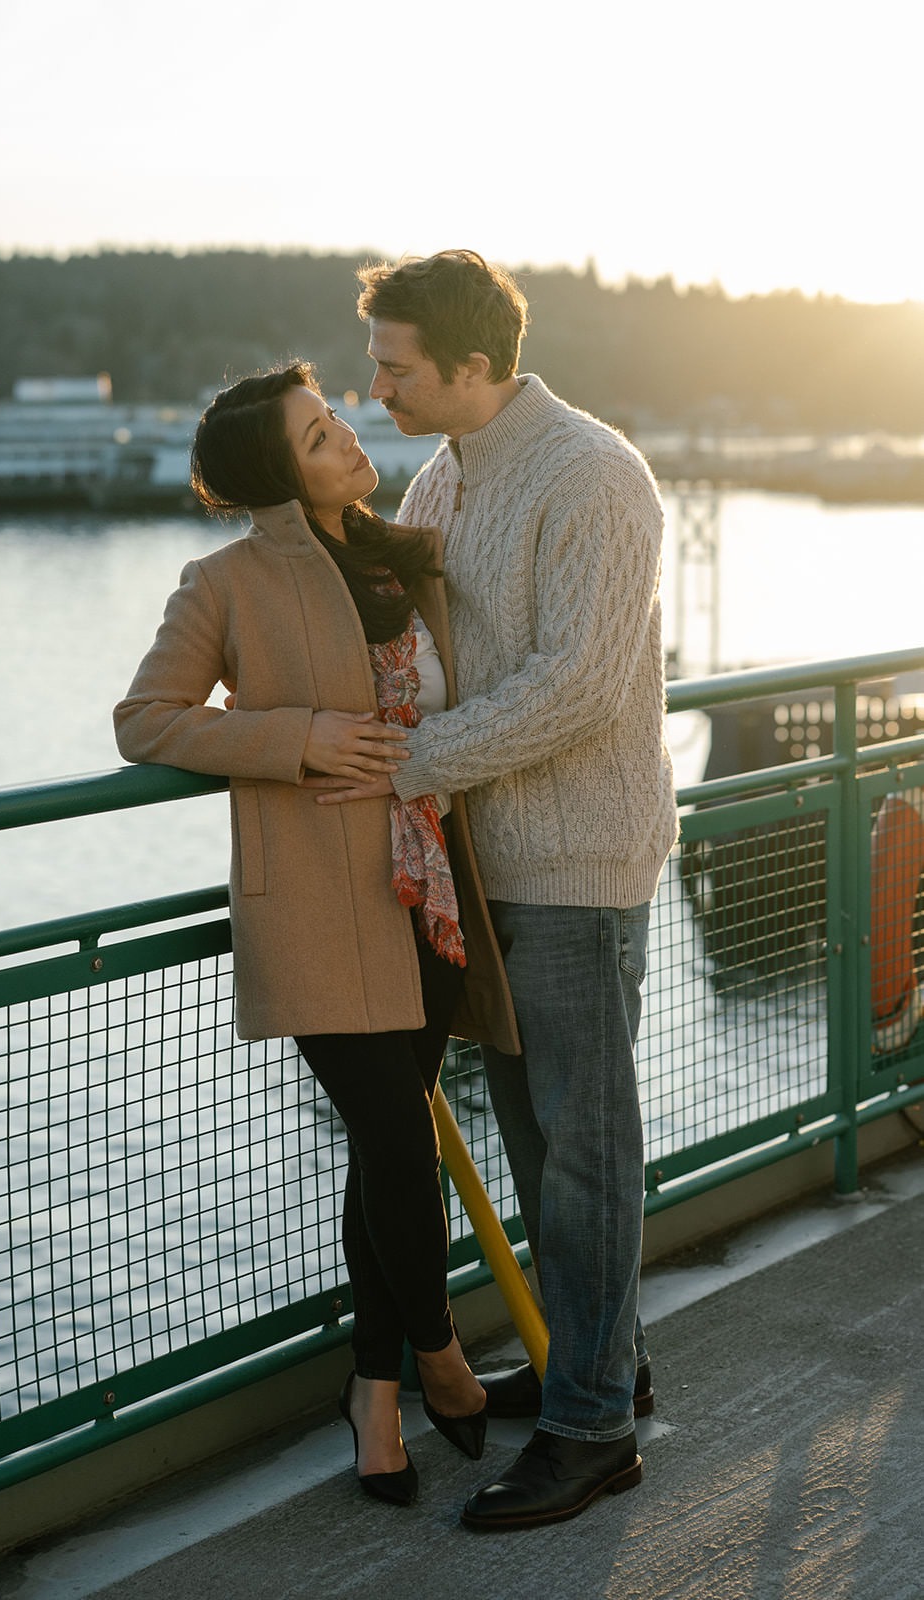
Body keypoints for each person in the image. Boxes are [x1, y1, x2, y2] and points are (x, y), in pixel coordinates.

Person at [312, 251, 678, 1529]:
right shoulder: (444, 471)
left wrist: (409, 762)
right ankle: (600, 1364)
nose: (378, 384)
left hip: (575, 869)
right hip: (486, 868)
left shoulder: (593, 474)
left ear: (472, 363)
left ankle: (590, 1432)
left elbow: (575, 685)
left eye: (396, 364)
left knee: (581, 1152)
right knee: (538, 1139)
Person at [113, 363, 519, 1510]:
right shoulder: (225, 580)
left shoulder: (401, 557)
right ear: (273, 475)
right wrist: (295, 736)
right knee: (396, 1143)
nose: (344, 432)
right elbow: (145, 719)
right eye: (315, 432)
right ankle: (439, 1357)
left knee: (381, 1157)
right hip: (312, 909)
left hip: (423, 898)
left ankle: (375, 1400)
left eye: (334, 416)